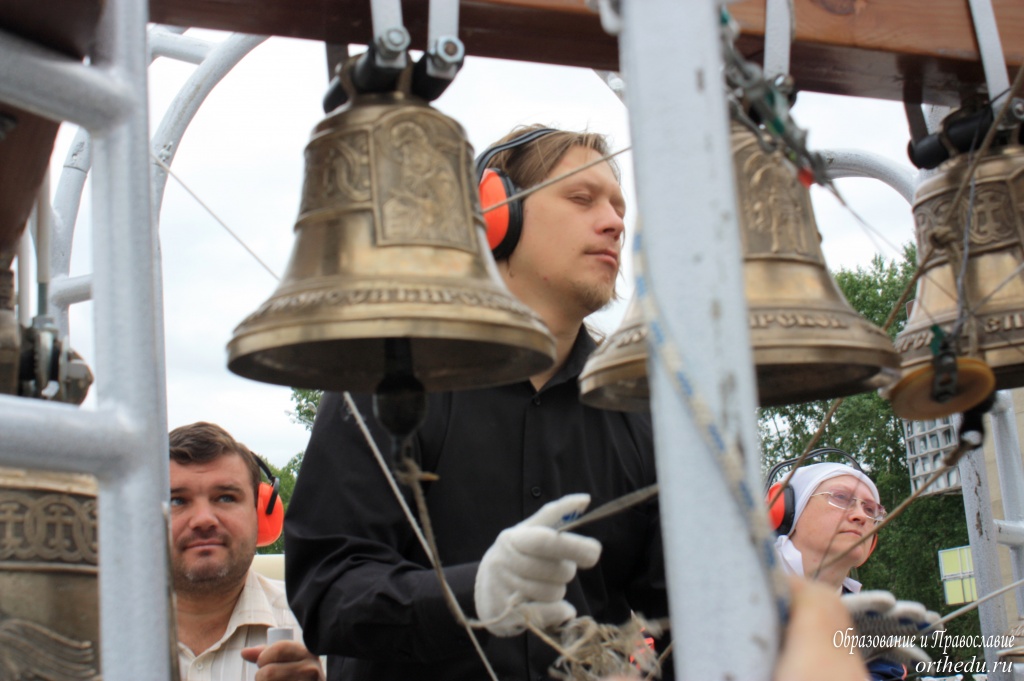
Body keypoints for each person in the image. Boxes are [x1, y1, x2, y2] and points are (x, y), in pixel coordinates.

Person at [284, 125, 669, 681]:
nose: (614, 222)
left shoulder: (640, 408)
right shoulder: (385, 378)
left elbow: (678, 616)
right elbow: (326, 591)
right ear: (494, 213)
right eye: (582, 198)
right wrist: (471, 596)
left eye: (618, 206)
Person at [169, 421, 325, 681]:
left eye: (226, 497)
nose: (203, 519)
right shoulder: (96, 634)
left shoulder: (323, 629)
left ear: (261, 515)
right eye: (177, 500)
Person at [768, 460, 916, 681]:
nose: (861, 516)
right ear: (784, 511)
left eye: (870, 509)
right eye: (841, 497)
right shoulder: (737, 597)